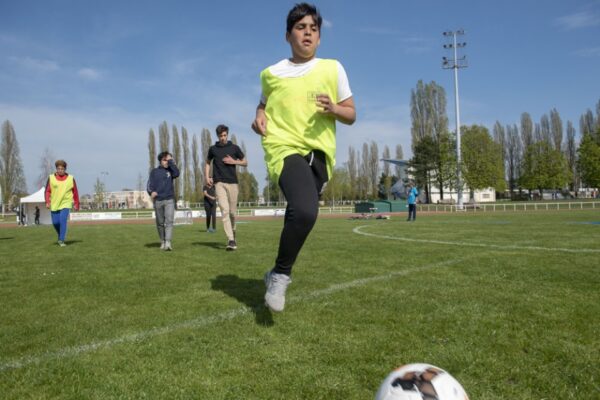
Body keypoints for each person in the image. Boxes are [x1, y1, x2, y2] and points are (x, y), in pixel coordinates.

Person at [251, 3, 356, 312]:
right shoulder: (271, 74)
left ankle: (274, 272)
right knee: (306, 212)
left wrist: (335, 109)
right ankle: (282, 275)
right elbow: (262, 104)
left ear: (319, 38)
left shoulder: (333, 69)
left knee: (301, 212)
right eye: (300, 27)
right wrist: (259, 118)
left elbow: (351, 113)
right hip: (283, 147)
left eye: (313, 28)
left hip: (319, 154)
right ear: (288, 36)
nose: (307, 32)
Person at [204, 124, 247, 251]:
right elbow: (207, 163)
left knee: (233, 213)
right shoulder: (213, 149)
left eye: (224, 135)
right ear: (217, 136)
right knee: (225, 211)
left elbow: (245, 162)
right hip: (219, 183)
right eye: (220, 136)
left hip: (233, 183)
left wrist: (234, 162)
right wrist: (207, 177)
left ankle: (233, 231)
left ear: (227, 135)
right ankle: (230, 239)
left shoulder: (234, 148)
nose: (223, 138)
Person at [147, 151, 180, 251]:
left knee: (169, 221)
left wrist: (171, 162)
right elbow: (149, 185)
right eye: (165, 160)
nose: (166, 162)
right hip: (158, 201)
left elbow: (177, 173)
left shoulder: (171, 170)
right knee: (160, 223)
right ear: (160, 161)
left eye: (168, 160)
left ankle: (168, 243)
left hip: (169, 199)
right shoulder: (154, 172)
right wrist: (151, 192)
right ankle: (163, 241)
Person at [44, 160, 80, 246]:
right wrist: (47, 202)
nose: (60, 170)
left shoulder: (71, 178)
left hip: (66, 203)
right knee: (55, 223)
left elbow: (75, 192)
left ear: (65, 169)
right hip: (55, 203)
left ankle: (61, 240)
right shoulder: (51, 178)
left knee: (63, 220)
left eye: (62, 169)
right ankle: (60, 234)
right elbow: (47, 191)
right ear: (56, 169)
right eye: (58, 169)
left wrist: (76, 203)